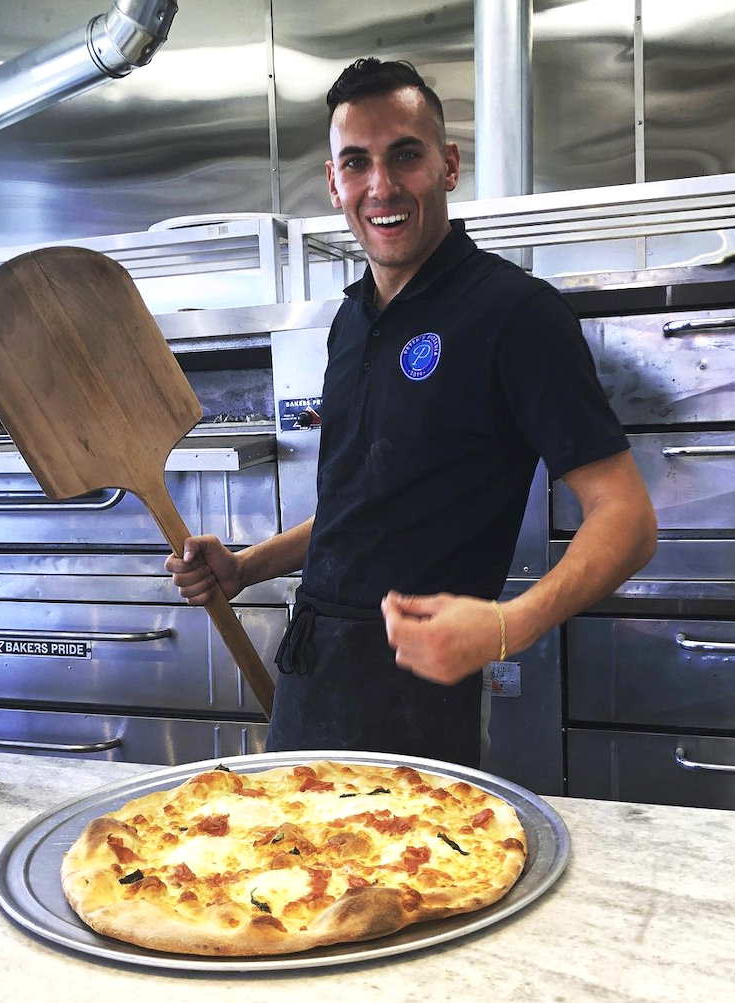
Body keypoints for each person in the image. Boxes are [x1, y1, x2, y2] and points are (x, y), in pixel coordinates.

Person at [166, 58, 657, 768]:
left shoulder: (515, 313)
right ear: (334, 183)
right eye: (357, 163)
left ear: (449, 164)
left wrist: (507, 625)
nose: (382, 186)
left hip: (419, 693)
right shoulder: (351, 320)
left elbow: (628, 516)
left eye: (405, 156)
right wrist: (248, 565)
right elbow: (361, 505)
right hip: (310, 669)